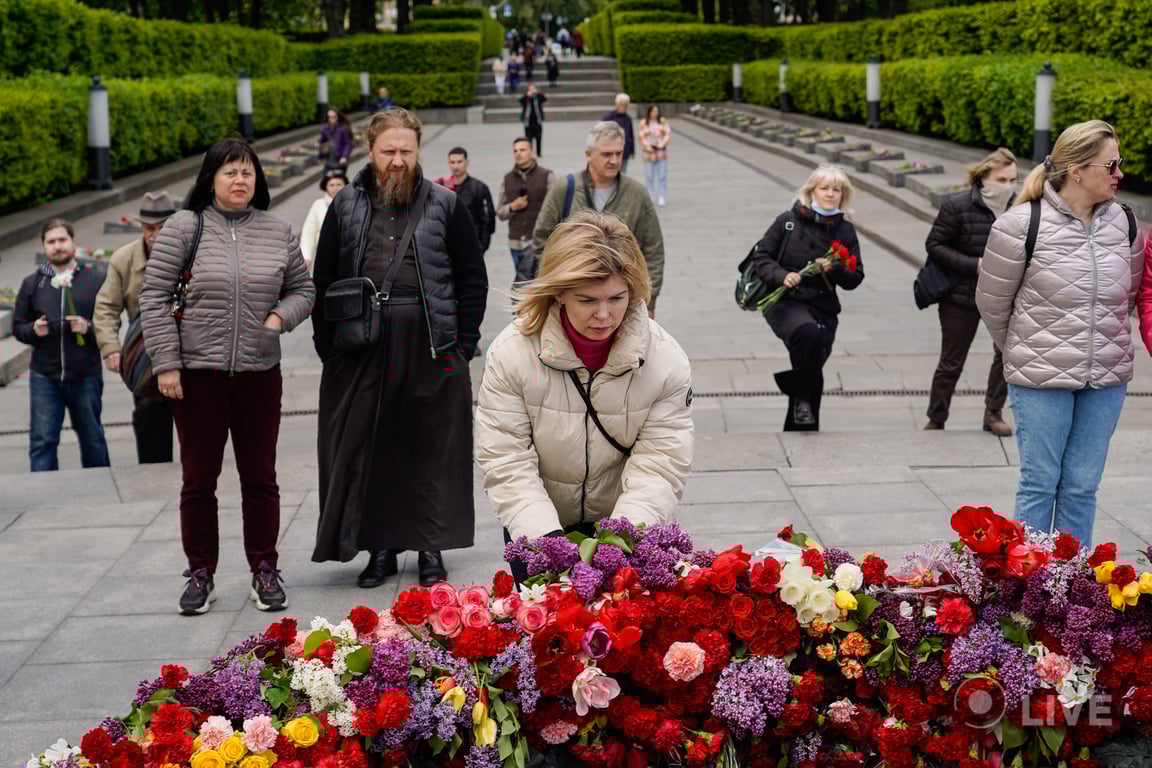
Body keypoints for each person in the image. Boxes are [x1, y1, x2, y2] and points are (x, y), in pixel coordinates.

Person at [310, 108, 488, 588]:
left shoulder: (446, 205)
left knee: (430, 448)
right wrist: (330, 350)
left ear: (418, 152)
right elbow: (323, 279)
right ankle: (381, 549)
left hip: (432, 345)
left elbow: (473, 277)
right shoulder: (344, 205)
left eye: (406, 151)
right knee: (375, 449)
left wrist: (464, 345)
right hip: (362, 346)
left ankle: (430, 547)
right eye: (388, 151)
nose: (397, 160)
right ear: (370, 151)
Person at [139, 137, 315, 616]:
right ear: (211, 179)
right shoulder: (184, 227)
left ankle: (264, 568)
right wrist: (167, 363)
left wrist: (280, 317)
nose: (240, 180)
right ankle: (201, 571)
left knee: (260, 478)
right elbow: (153, 298)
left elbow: (303, 288)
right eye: (230, 172)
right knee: (199, 479)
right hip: (198, 377)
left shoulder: (276, 230)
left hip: (260, 374)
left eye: (247, 172)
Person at [475, 210, 693, 582]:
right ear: (559, 292)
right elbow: (507, 459)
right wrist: (548, 543)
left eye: (617, 298)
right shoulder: (511, 352)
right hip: (537, 521)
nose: (604, 315)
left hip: (623, 522)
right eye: (587, 300)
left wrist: (619, 542)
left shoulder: (665, 358)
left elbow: (660, 461)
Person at [977, 120, 1142, 547]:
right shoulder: (1019, 225)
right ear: (1076, 170)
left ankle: (1071, 593)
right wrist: (1025, 351)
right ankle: (1028, 593)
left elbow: (1129, 297)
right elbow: (992, 303)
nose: (1120, 174)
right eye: (1111, 164)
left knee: (1082, 487)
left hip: (1105, 379)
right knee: (1039, 484)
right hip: (1039, 379)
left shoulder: (1125, 223)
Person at [750, 164, 865, 432]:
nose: (830, 194)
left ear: (843, 195)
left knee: (813, 359)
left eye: (836, 190)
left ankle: (801, 424)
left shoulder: (845, 231)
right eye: (824, 188)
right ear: (811, 191)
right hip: (787, 301)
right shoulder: (787, 221)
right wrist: (782, 276)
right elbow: (761, 257)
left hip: (823, 305)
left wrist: (834, 268)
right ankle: (802, 399)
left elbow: (856, 276)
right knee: (809, 336)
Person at [923, 148, 1016, 436]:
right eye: (1002, 179)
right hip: (961, 295)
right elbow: (935, 245)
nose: (1009, 186)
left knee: (1005, 354)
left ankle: (993, 413)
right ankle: (936, 417)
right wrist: (974, 265)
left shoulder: (1020, 208)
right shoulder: (957, 205)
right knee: (952, 359)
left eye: (1013, 180)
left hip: (1002, 295)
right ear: (984, 177)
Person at [533, 121, 666, 314]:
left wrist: (648, 302)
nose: (614, 160)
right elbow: (541, 239)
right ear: (588, 154)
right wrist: (558, 286)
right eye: (606, 154)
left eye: (618, 153)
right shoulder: (564, 189)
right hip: (572, 304)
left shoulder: (637, 194)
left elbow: (653, 251)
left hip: (622, 306)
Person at [13, 218, 110, 472]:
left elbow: (108, 324)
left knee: (92, 437)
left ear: (73, 242)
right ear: (44, 246)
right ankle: (42, 489)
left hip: (85, 374)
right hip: (45, 375)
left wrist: (88, 328)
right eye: (51, 242)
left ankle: (101, 486)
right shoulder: (33, 283)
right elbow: (18, 326)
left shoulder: (94, 279)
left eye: (62, 240)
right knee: (43, 440)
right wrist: (33, 330)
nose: (57, 246)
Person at [93, 191, 177, 464]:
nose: (156, 234)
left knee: (200, 419)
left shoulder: (191, 251)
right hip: (147, 349)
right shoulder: (124, 258)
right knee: (149, 413)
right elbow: (106, 307)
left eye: (163, 227)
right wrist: (111, 349)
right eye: (150, 228)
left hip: (191, 344)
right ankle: (153, 472)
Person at [497, 136, 555, 285]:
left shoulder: (546, 175)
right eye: (515, 150)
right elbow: (500, 212)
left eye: (522, 150)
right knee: (523, 280)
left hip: (537, 241)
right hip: (515, 241)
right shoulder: (507, 178)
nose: (518, 153)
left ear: (532, 152)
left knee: (533, 283)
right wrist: (512, 207)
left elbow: (555, 208)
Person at [443, 147, 496, 255]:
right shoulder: (443, 188)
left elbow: (488, 220)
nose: (456, 166)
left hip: (472, 245)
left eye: (459, 162)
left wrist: (481, 248)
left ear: (467, 162)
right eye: (452, 162)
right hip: (449, 246)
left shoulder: (479, 188)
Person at [300, 169, 348, 272]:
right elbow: (309, 232)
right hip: (324, 255)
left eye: (339, 184)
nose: (336, 188)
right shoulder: (318, 205)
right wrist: (306, 256)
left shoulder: (353, 205)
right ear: (326, 187)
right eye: (332, 185)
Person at [638, 104, 671, 207]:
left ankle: (661, 196)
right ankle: (650, 196)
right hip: (649, 153)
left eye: (656, 111)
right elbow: (641, 136)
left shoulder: (663, 121)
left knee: (661, 176)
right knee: (649, 176)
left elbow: (667, 134)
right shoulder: (644, 123)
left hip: (661, 153)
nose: (655, 113)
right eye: (653, 111)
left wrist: (661, 144)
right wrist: (648, 146)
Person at [602, 94, 635, 175]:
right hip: (611, 150)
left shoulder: (628, 118)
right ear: (617, 104)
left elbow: (631, 135)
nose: (623, 107)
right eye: (621, 105)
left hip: (624, 150)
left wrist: (632, 151)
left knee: (623, 173)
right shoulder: (609, 117)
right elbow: (601, 133)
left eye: (625, 105)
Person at [520, 83, 546, 157]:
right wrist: (527, 95)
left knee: (538, 137)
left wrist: (537, 93)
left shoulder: (538, 97)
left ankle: (539, 153)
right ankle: (530, 152)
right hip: (528, 122)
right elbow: (521, 101)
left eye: (533, 89)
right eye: (530, 89)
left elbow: (544, 99)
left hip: (537, 121)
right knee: (529, 139)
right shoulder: (526, 98)